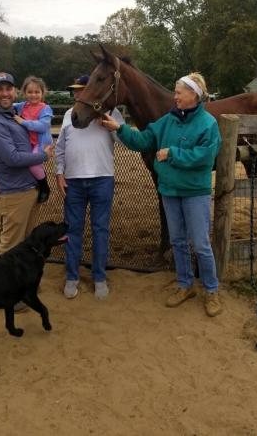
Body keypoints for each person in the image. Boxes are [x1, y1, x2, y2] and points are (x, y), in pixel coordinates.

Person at [102, 72, 223, 317]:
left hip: (194, 192)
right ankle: (185, 284)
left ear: (194, 95)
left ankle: (211, 290)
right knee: (178, 241)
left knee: (200, 244)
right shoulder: (167, 120)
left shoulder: (208, 124)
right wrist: (120, 129)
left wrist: (172, 154)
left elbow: (206, 157)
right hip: (170, 190)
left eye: (179, 92)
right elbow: (143, 140)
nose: (175, 96)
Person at [55, 74, 125, 300]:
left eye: (81, 90)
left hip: (102, 179)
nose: (77, 94)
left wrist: (111, 126)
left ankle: (99, 277)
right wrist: (59, 173)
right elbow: (60, 147)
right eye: (75, 90)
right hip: (74, 181)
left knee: (100, 230)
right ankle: (72, 276)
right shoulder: (69, 115)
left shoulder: (112, 113)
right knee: (73, 229)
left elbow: (125, 141)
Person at [0, 72, 54, 259]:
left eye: (8, 89)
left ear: (14, 92)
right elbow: (12, 158)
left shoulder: (13, 114)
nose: (5, 93)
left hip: (29, 188)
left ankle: (19, 285)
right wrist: (42, 156)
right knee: (10, 247)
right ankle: (0, 287)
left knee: (25, 243)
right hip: (15, 193)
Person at [13, 76, 53, 203]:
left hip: (41, 142)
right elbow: (6, 105)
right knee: (24, 163)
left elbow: (43, 126)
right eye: (30, 92)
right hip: (28, 142)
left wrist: (23, 122)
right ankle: (33, 184)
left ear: (42, 93)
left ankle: (44, 187)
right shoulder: (22, 106)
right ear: (24, 93)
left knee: (33, 165)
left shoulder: (45, 108)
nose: (33, 95)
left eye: (37, 92)